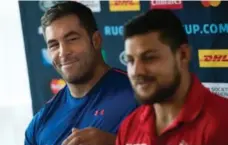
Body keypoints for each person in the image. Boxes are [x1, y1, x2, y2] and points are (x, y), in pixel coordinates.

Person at [24, 1, 138, 145]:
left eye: (72, 39)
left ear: (96, 40)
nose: (63, 52)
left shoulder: (139, 96)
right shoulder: (39, 123)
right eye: (54, 45)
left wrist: (115, 143)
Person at [116, 9, 228, 145]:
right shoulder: (130, 125)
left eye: (149, 58)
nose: (136, 71)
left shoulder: (222, 122)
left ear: (183, 55)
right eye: (130, 60)